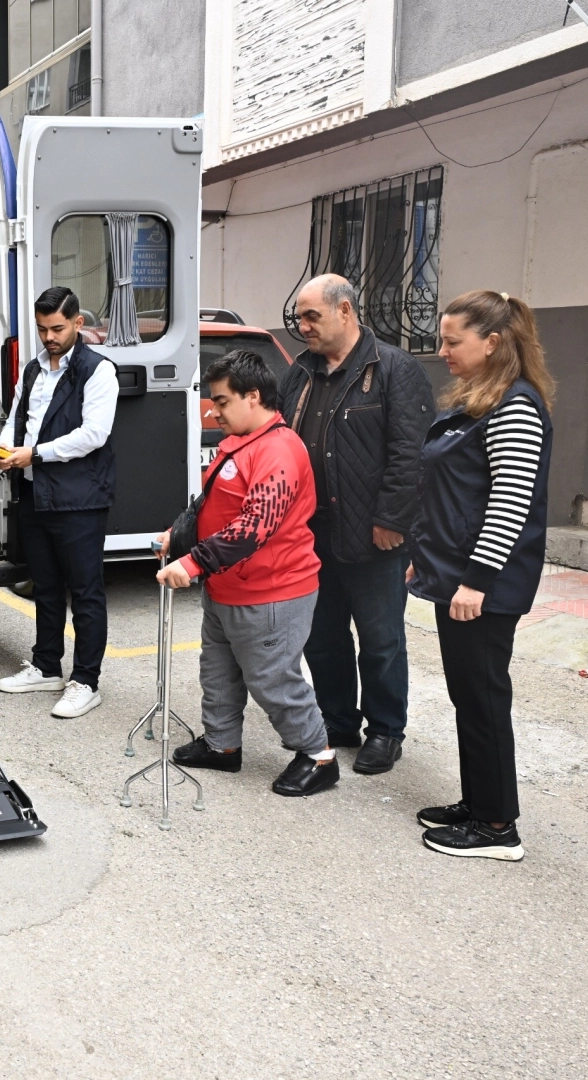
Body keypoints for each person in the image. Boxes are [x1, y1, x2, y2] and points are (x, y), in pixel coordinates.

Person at [409, 290, 554, 861]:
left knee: (484, 699)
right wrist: (427, 556)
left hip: (483, 587)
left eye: (453, 341)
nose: (443, 351)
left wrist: (476, 581)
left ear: (491, 343)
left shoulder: (515, 406)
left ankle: (497, 827)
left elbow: (509, 504)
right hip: (457, 576)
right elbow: (454, 494)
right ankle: (478, 803)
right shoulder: (481, 401)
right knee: (468, 696)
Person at [163, 350, 339, 797]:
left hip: (270, 591)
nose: (213, 411)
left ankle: (318, 756)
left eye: (222, 401)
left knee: (273, 680)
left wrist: (193, 562)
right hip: (228, 585)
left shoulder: (278, 450)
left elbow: (253, 526)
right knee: (217, 671)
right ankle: (222, 745)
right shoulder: (241, 441)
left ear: (253, 396)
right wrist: (179, 535)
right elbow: (215, 503)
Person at [281, 274, 434, 775]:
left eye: (312, 316)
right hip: (311, 532)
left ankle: (386, 731)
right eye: (299, 318)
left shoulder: (394, 368)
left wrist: (392, 518)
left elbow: (411, 453)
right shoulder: (300, 372)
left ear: (344, 310)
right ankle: (338, 720)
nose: (303, 327)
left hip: (374, 534)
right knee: (321, 635)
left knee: (381, 639)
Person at [0, 286, 119, 719]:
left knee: (85, 592)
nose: (49, 337)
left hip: (80, 498)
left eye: (58, 329)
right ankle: (47, 666)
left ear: (78, 323)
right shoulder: (32, 369)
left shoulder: (98, 370)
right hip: (34, 491)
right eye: (42, 329)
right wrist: (6, 448)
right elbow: (17, 417)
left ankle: (86, 681)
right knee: (44, 587)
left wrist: (35, 454)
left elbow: (93, 434)